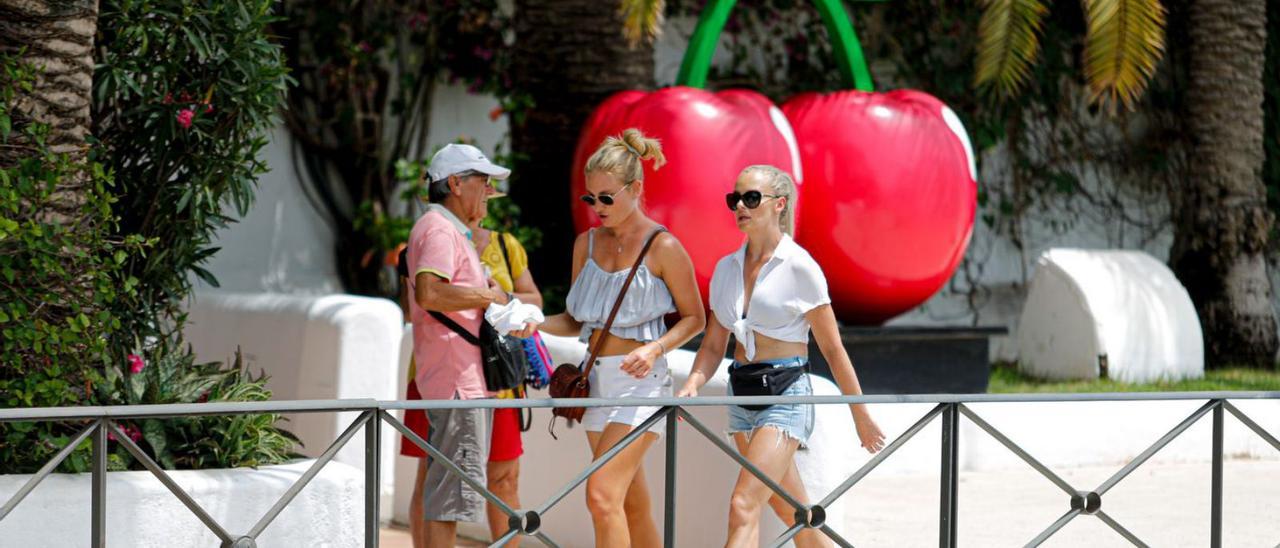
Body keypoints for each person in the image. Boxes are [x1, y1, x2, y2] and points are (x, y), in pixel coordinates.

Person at [677, 165, 886, 548]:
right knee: (792, 511)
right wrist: (693, 381)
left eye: (751, 198)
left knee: (743, 503)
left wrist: (861, 415)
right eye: (734, 199)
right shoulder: (726, 269)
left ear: (779, 204)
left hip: (786, 395)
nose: (740, 205)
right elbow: (712, 345)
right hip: (742, 393)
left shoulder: (800, 267)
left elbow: (832, 348)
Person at [540, 129, 706, 547]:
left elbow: (695, 319)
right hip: (595, 382)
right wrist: (530, 322)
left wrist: (655, 348)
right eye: (590, 199)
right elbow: (575, 321)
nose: (598, 208)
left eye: (607, 197)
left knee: (601, 495)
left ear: (635, 189)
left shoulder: (663, 246)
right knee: (630, 502)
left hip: (641, 383)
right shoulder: (587, 243)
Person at [407, 143, 536, 548]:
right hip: (457, 384)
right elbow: (430, 292)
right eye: (483, 182)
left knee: (444, 493)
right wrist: (489, 298)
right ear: (456, 184)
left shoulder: (441, 229)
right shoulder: (440, 230)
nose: (488, 192)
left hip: (452, 381)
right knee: (451, 498)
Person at [469, 214, 543, 547]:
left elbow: (536, 300)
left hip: (501, 380)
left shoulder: (505, 244)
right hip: (453, 379)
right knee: (438, 476)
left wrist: (504, 296)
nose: (484, 195)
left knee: (505, 479)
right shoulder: (433, 242)